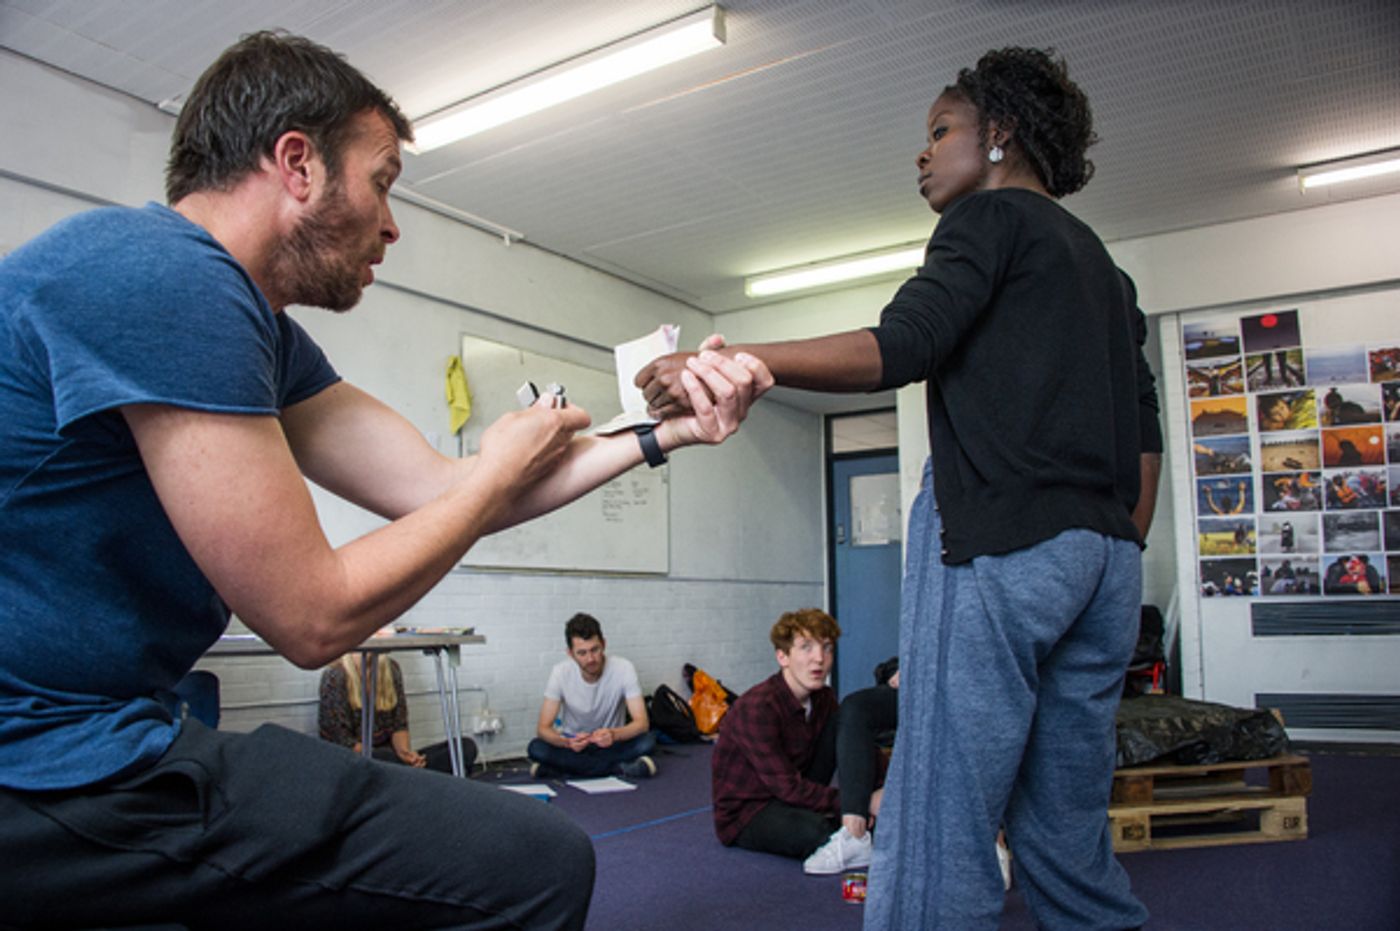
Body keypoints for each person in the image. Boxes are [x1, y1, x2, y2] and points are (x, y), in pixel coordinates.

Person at [0, 31, 772, 930]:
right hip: (43, 759)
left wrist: (661, 429)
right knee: (531, 860)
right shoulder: (166, 276)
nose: (393, 223)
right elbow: (310, 614)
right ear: (297, 163)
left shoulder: (256, 331)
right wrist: (490, 480)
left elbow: (442, 485)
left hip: (89, 741)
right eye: (383, 182)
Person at [640, 46, 1159, 930]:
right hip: (1105, 564)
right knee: (1068, 828)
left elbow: (904, 342)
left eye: (940, 131)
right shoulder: (1107, 274)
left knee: (936, 815)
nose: (922, 155)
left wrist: (741, 362)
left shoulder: (987, 223)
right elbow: (1143, 442)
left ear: (999, 135)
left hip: (1003, 550)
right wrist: (1110, 544)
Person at [710, 608, 844, 863]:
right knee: (817, 831)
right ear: (782, 656)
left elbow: (852, 747)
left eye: (827, 648)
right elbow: (788, 787)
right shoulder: (757, 707)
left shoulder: (824, 697)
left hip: (792, 793)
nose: (819, 659)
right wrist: (853, 803)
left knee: (846, 720)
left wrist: (883, 794)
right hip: (749, 812)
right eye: (806, 647)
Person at [527, 613, 657, 780]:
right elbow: (543, 729)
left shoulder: (624, 668)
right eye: (582, 653)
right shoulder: (560, 672)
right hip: (575, 747)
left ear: (603, 644)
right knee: (536, 748)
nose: (590, 659)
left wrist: (614, 734)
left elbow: (642, 723)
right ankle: (618, 768)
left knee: (647, 741)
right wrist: (566, 742)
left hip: (611, 744)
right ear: (570, 653)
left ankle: (563, 771)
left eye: (595, 650)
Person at [319, 653, 478, 773]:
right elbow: (343, 743)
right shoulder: (335, 676)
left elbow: (399, 724)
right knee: (386, 758)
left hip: (393, 763)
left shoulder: (391, 668)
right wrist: (392, 759)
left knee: (464, 747)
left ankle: (409, 777)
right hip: (355, 764)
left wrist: (406, 755)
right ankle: (410, 778)